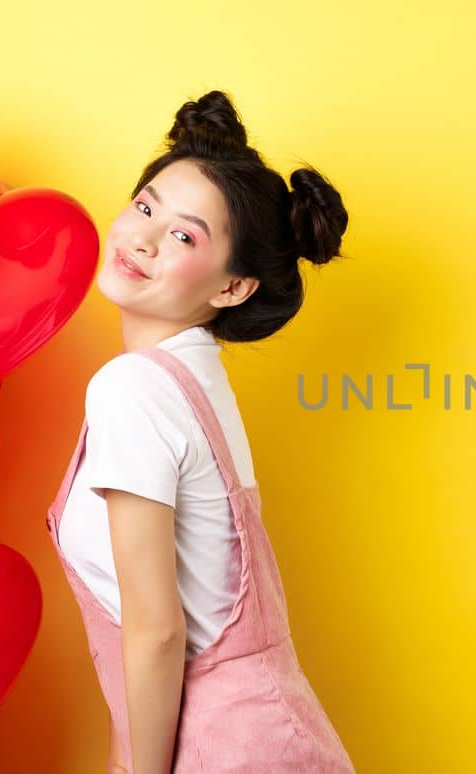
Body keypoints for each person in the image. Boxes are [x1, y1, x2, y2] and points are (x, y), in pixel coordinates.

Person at [44, 89, 354, 772]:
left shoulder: (134, 388)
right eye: (147, 206)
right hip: (267, 738)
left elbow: (157, 632)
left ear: (233, 288)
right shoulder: (196, 378)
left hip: (227, 752)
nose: (143, 237)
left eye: (185, 235)